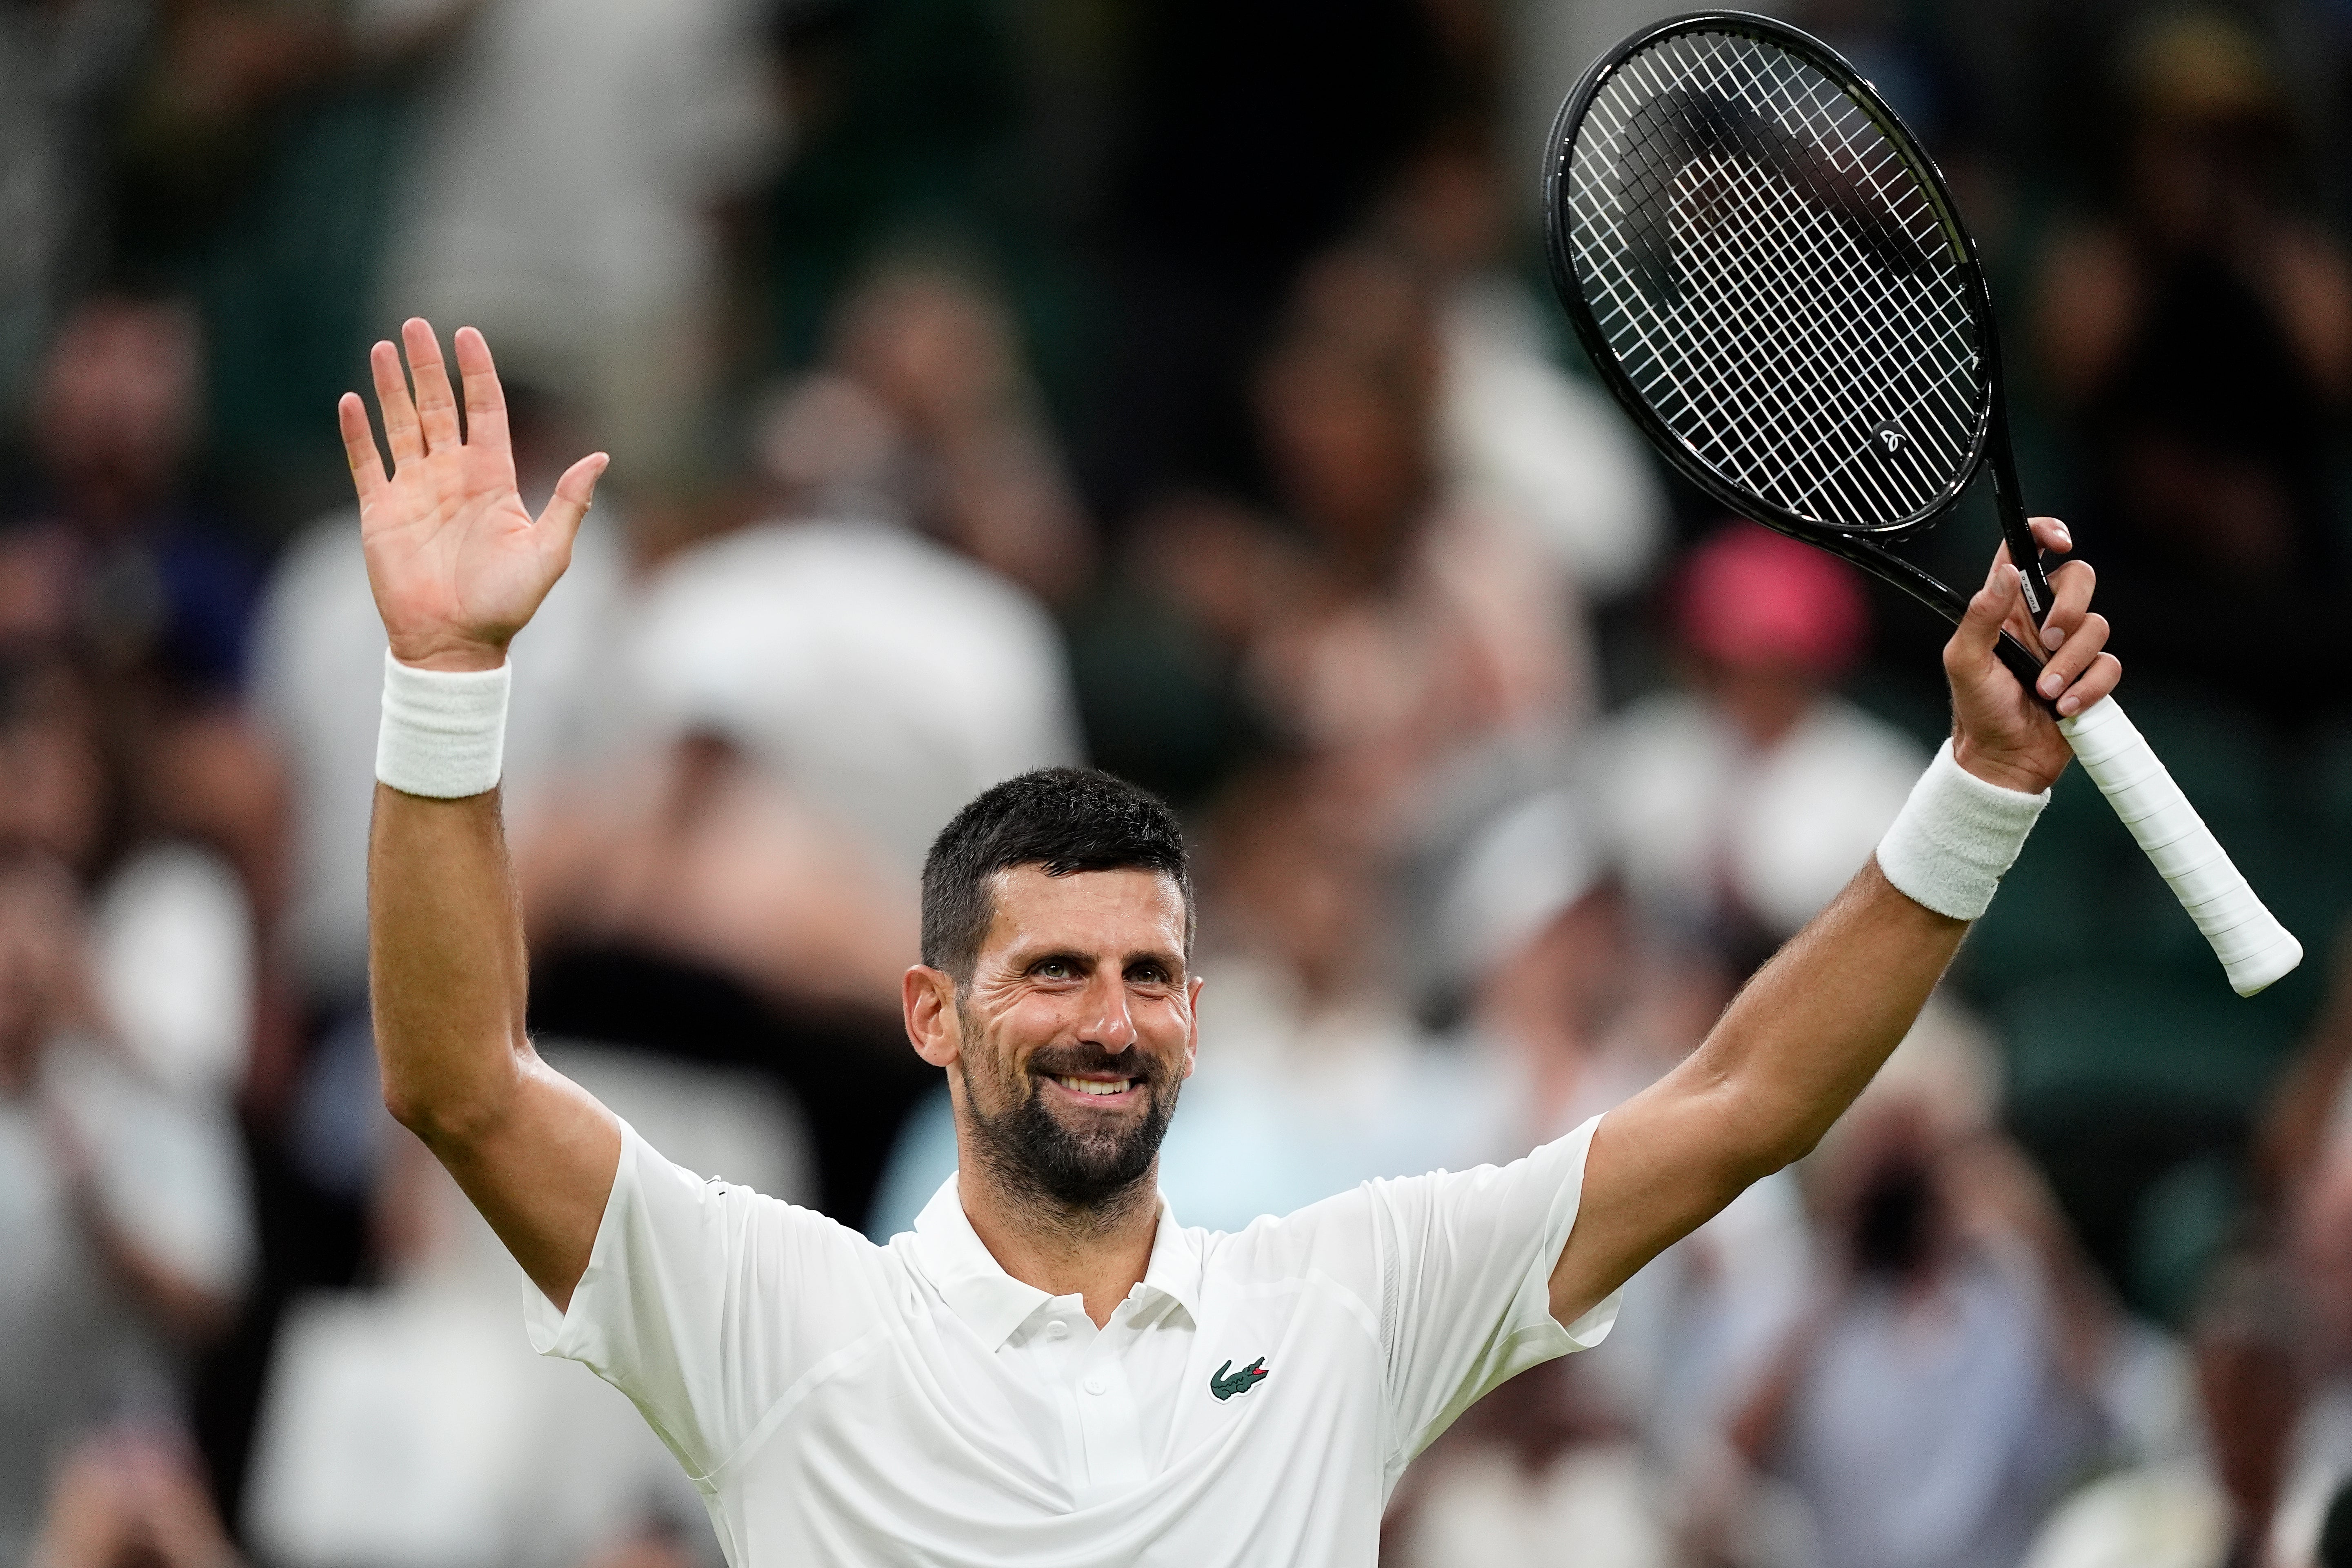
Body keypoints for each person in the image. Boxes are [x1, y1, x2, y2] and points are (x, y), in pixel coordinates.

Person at [338, 318, 2121, 1564]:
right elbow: (460, 1085)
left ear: (1197, 1014)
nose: (1105, 1019)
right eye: (1050, 971)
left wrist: (1975, 779)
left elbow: (1743, 1102)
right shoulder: (776, 1310)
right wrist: (447, 680)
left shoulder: (1342, 1301)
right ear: (931, 1013)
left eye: (1141, 977)